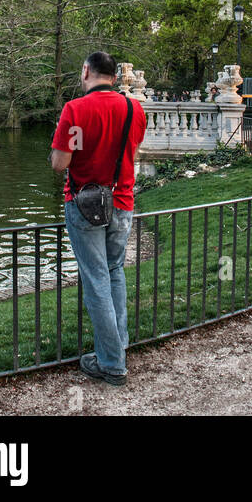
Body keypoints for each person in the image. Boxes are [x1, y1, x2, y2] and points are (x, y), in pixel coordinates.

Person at [50, 51, 146, 386]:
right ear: (115, 77)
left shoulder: (75, 110)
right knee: (114, 272)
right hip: (122, 201)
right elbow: (130, 151)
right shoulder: (134, 109)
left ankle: (111, 363)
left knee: (96, 281)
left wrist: (61, 151)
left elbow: (61, 163)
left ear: (86, 71)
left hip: (84, 204)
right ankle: (117, 346)